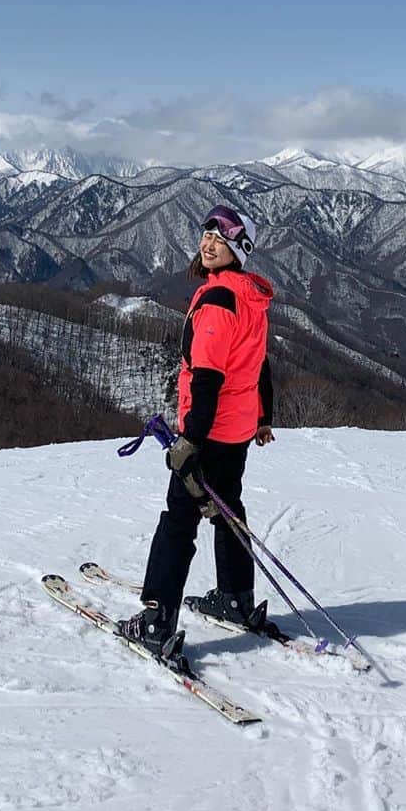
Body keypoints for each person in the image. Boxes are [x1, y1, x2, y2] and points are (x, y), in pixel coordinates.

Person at [117, 205, 275, 659]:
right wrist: (263, 417)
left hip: (210, 429)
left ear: (238, 250)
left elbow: (206, 376)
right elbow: (258, 362)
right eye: (205, 235)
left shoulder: (217, 300)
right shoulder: (251, 296)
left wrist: (190, 441)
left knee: (178, 521)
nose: (208, 244)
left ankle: (155, 620)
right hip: (238, 427)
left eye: (220, 240)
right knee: (228, 507)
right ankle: (236, 598)